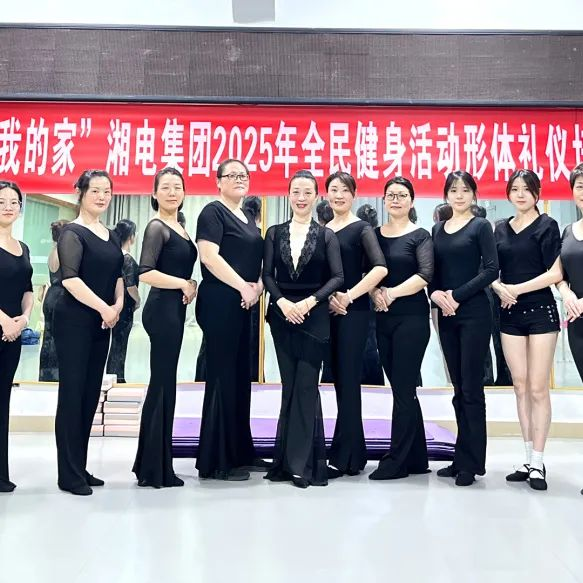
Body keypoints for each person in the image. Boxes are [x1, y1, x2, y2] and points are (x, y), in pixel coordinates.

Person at [263, 169, 343, 488]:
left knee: (307, 387)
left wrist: (310, 302)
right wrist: (282, 302)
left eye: (307, 192)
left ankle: (302, 465)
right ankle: (285, 462)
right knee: (289, 386)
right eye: (296, 191)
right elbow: (267, 275)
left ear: (316, 196)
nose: (301, 197)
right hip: (282, 316)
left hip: (315, 317)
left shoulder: (326, 235)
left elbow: (337, 277)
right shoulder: (274, 232)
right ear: (288, 195)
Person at [54, 170, 124, 496]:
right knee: (72, 395)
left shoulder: (111, 235)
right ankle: (68, 475)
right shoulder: (72, 233)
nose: (101, 196)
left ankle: (79, 466)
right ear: (80, 193)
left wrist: (117, 306)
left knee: (90, 394)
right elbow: (70, 279)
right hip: (75, 321)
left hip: (102, 322)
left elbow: (118, 276)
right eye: (95, 190)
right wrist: (104, 308)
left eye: (106, 191)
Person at [196, 159, 266, 481]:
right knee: (222, 377)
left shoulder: (247, 216)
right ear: (218, 181)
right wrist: (243, 287)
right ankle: (217, 461)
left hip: (245, 302)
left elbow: (256, 260)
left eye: (243, 175)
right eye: (232, 175)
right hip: (221, 301)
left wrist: (258, 287)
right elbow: (210, 257)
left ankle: (241, 452)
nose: (239, 179)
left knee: (240, 378)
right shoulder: (212, 212)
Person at [493, 169, 562, 491]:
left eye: (526, 189)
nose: (520, 194)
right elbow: (489, 269)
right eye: (515, 189)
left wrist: (516, 289)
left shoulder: (548, 225)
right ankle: (526, 458)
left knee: (537, 388)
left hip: (540, 310)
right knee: (519, 386)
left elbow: (555, 273)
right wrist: (499, 287)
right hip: (509, 313)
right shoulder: (500, 228)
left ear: (537, 193)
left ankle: (539, 460)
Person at [430, 171, 498, 487]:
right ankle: (460, 457)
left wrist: (456, 295)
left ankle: (472, 462)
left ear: (473, 195)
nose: (459, 195)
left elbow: (491, 269)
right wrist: (436, 294)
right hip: (446, 314)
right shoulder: (438, 229)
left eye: (465, 190)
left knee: (472, 389)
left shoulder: (480, 226)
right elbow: (433, 272)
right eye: (454, 190)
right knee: (458, 388)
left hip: (474, 313)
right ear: (446, 194)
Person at [133, 168, 197, 488]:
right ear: (154, 193)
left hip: (173, 309)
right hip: (161, 310)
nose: (173, 192)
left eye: (178, 187)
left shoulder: (180, 227)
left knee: (165, 383)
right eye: (166, 187)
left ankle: (153, 462)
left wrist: (189, 283)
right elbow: (145, 272)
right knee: (162, 384)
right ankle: (155, 469)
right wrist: (183, 283)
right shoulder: (156, 227)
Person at [368, 177, 433, 480]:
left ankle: (397, 461)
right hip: (382, 318)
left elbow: (425, 274)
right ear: (384, 200)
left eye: (402, 195)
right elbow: (367, 272)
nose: (396, 200)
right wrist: (374, 293)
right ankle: (416, 457)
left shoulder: (420, 236)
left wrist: (390, 293)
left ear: (411, 201)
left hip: (412, 319)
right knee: (400, 388)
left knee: (404, 389)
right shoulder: (374, 235)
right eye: (391, 195)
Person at [325, 172, 387, 478]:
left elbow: (379, 268)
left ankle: (347, 457)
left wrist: (349, 296)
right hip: (328, 311)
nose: (339, 195)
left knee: (349, 381)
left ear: (353, 195)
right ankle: (351, 451)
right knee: (338, 380)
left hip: (355, 312)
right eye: (334, 190)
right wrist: (327, 298)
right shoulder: (323, 229)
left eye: (344, 190)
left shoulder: (362, 228)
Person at [0, 181, 33, 493]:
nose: (8, 207)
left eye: (13, 202)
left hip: (13, 333)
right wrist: (4, 322)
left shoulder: (23, 248)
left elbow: (28, 289)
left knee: (3, 400)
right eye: (1, 201)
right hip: (3, 327)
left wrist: (23, 319)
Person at [556, 163, 583, 494]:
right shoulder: (568, 230)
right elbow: (560, 274)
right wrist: (566, 294)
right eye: (579, 186)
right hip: (577, 321)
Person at [106, 219, 140, 383]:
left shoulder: (114, 255)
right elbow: (131, 285)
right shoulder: (127, 259)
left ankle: (112, 375)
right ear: (131, 236)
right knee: (120, 343)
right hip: (125, 306)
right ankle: (117, 377)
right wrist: (138, 299)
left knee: (114, 343)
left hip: (113, 302)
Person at [355, 203, 385, 386]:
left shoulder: (356, 238)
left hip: (359, 296)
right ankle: (375, 383)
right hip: (375, 295)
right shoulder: (379, 239)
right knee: (371, 343)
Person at [39, 220, 68, 382]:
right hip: (62, 296)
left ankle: (45, 374)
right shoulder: (64, 252)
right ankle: (56, 376)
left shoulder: (53, 251)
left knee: (48, 337)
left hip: (51, 296)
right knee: (59, 338)